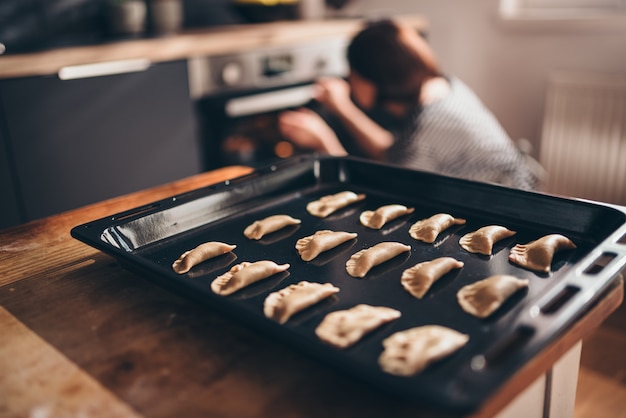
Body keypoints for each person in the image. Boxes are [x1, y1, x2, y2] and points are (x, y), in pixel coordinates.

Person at [278, 19, 540, 190]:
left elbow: (384, 195)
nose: (349, 79)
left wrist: (324, 141)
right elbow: (394, 151)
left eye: (353, 73)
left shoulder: (434, 124)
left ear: (374, 80)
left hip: (500, 211)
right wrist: (341, 108)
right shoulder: (441, 87)